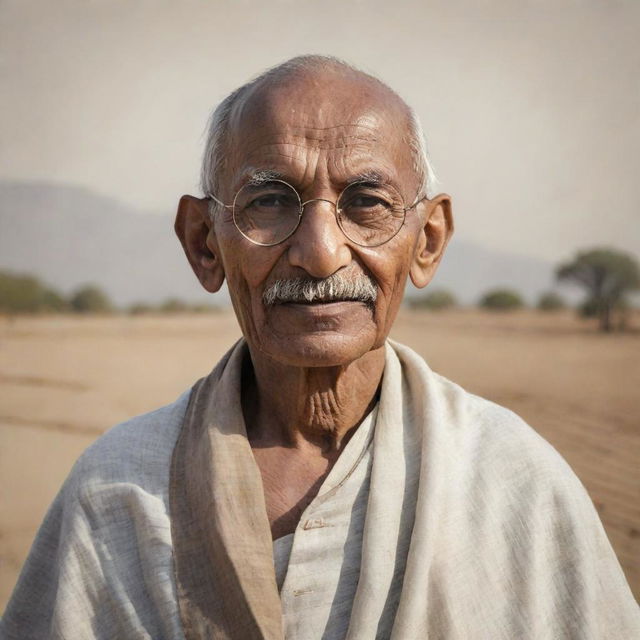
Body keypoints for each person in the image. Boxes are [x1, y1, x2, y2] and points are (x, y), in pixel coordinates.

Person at [2, 55, 638, 640]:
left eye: (366, 203)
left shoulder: (514, 482)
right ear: (204, 242)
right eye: (270, 202)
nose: (320, 252)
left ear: (427, 241)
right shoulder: (118, 489)